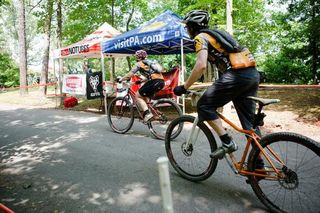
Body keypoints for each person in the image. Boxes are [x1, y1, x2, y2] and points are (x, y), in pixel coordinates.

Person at [174, 10, 260, 159]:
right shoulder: (217, 35)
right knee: (249, 125)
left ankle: (227, 142)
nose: (186, 29)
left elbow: (201, 66)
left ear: (194, 26)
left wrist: (184, 87)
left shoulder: (200, 38)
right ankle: (258, 166)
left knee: (204, 105)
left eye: (187, 26)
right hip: (252, 74)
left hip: (236, 76)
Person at [120, 50, 165, 122]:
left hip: (154, 82)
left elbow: (130, 74)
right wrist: (141, 81)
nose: (135, 57)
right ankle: (156, 114)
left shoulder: (139, 63)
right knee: (146, 98)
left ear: (138, 57)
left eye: (136, 56)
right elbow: (151, 76)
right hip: (161, 82)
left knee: (137, 96)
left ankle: (147, 114)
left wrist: (121, 79)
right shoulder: (149, 63)